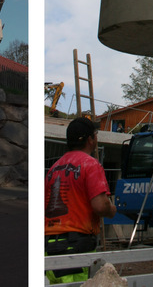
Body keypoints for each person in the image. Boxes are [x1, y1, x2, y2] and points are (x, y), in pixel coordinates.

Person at [45, 117, 117, 283]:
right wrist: (111, 209)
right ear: (90, 140)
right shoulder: (90, 164)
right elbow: (100, 206)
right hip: (75, 246)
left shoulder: (54, 168)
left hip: (48, 245)